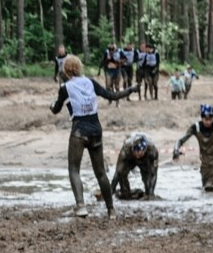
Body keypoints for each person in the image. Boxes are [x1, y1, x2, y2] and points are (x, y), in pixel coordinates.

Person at [49, 54, 135, 218]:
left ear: (66, 70)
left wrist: (51, 106)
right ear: (79, 67)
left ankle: (81, 206)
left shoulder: (65, 87)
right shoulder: (90, 82)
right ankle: (111, 210)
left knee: (74, 169)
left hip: (79, 131)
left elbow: (56, 109)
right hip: (96, 129)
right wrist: (130, 90)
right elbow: (111, 95)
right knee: (100, 172)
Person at [111, 133, 160, 199]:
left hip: (145, 160)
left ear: (145, 150)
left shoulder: (152, 151)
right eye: (135, 153)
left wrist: (151, 193)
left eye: (139, 154)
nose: (137, 156)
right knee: (122, 173)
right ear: (132, 149)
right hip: (131, 159)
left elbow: (153, 174)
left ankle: (148, 193)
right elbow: (118, 171)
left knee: (148, 180)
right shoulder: (126, 149)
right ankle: (125, 193)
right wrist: (111, 190)